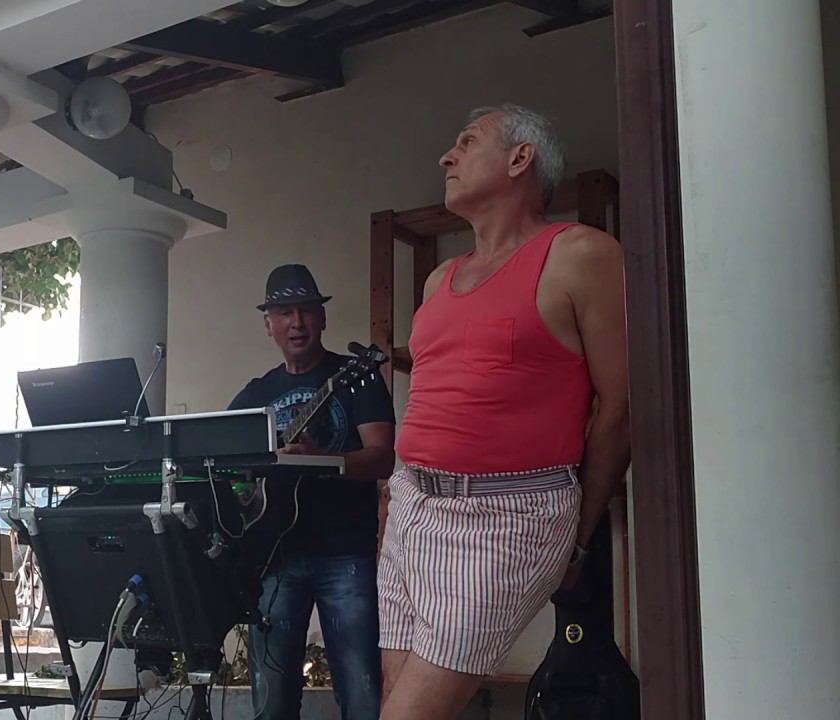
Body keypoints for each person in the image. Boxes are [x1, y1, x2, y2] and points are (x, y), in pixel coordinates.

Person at [378, 105, 630, 720]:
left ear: (521, 158)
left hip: (506, 516)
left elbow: (622, 404)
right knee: (397, 699)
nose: (447, 156)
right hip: (410, 506)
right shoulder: (440, 279)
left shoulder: (580, 254)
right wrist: (394, 499)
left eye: (467, 142)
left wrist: (578, 538)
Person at [228, 264, 396, 720]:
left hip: (346, 554)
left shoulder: (356, 376)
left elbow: (383, 458)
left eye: (306, 310)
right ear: (269, 325)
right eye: (284, 312)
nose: (297, 322)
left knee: (362, 692)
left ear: (322, 319)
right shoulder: (255, 395)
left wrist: (322, 460)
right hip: (275, 557)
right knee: (272, 698)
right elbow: (226, 465)